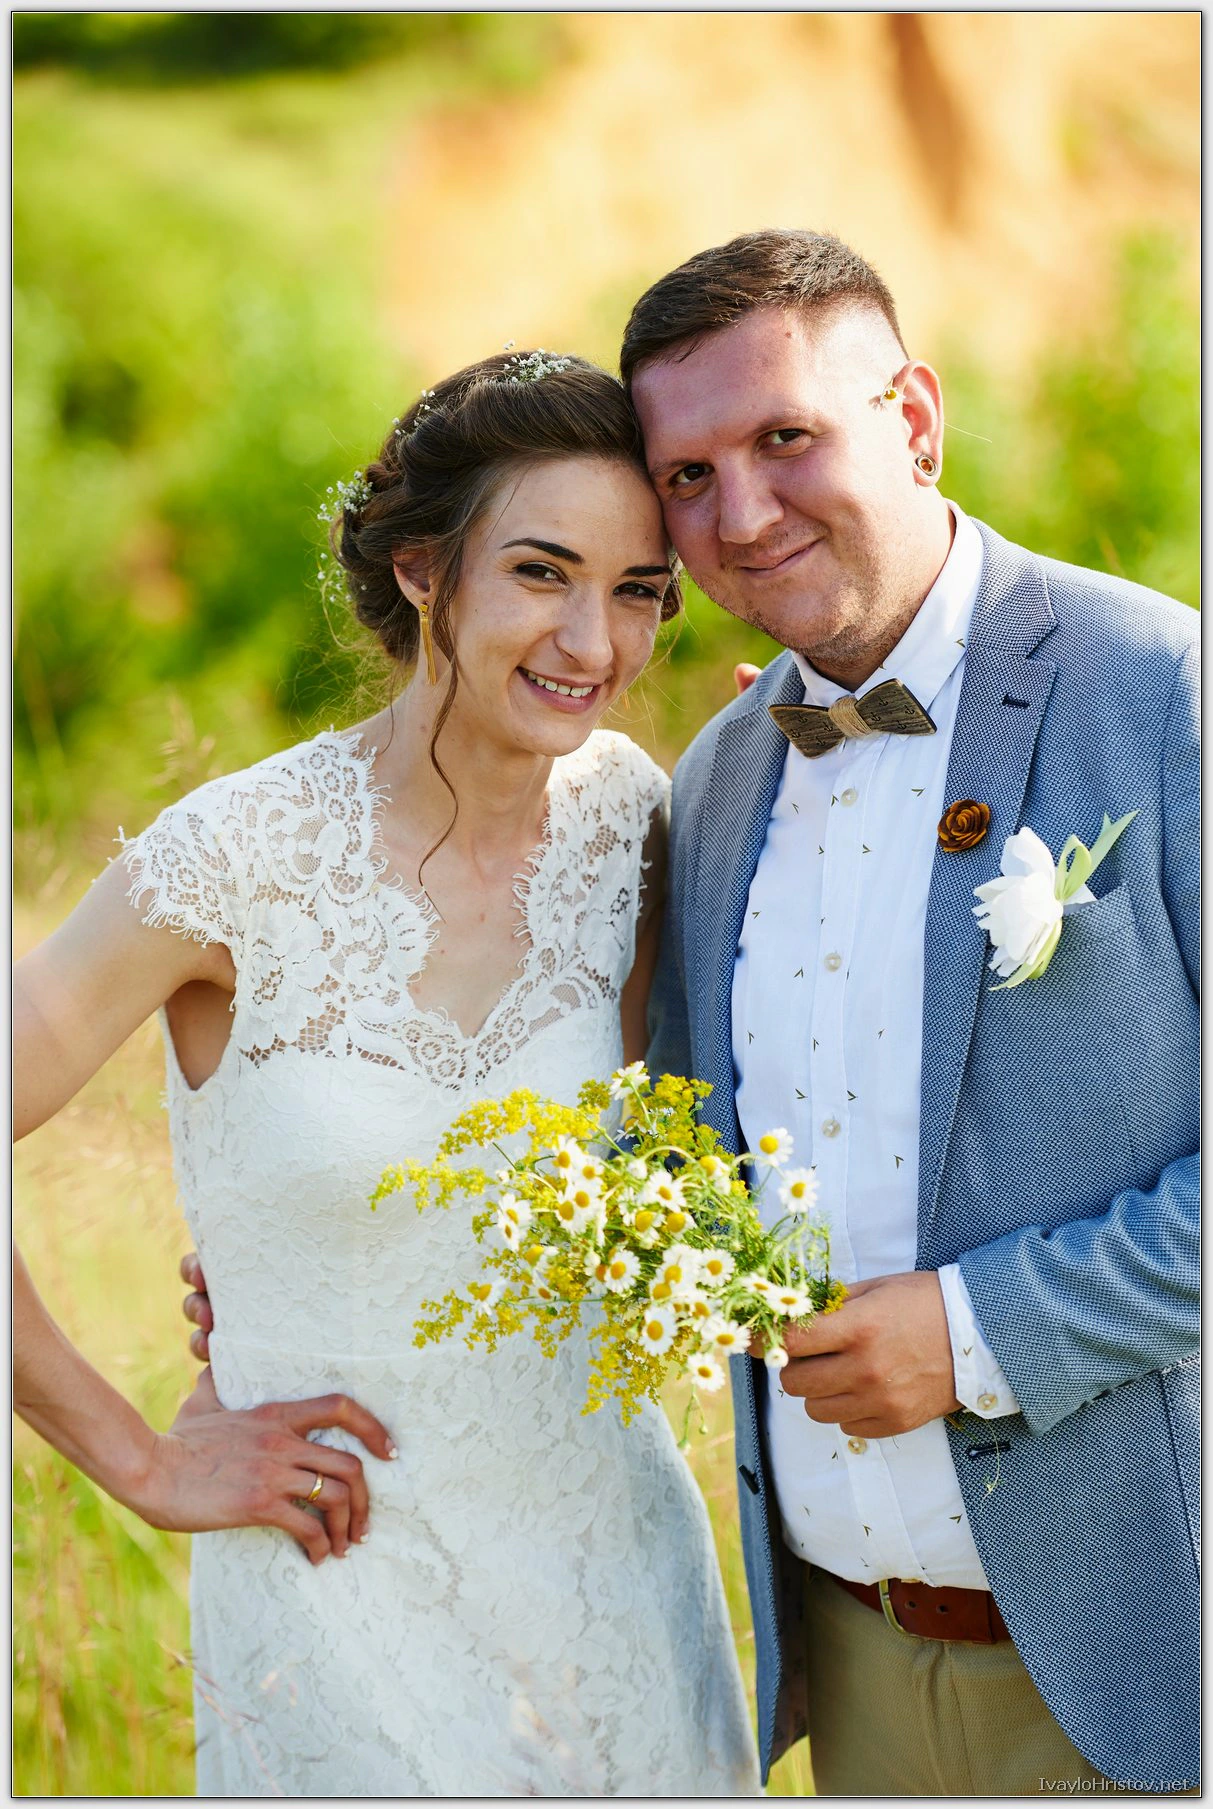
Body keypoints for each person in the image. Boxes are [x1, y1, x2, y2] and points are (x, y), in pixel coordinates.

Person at [13, 352, 761, 1796]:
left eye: (638, 590)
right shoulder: (233, 859)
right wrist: (140, 1461)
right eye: (540, 572)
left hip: (609, 1602)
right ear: (425, 571)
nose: (593, 642)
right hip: (333, 1601)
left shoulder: (644, 825)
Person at [625, 230, 1199, 1795]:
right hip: (846, 1664)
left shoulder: (1163, 690)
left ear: (917, 419)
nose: (742, 515)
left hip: (1147, 1653)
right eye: (687, 477)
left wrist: (978, 1333)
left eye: (785, 437)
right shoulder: (716, 782)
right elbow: (664, 1151)